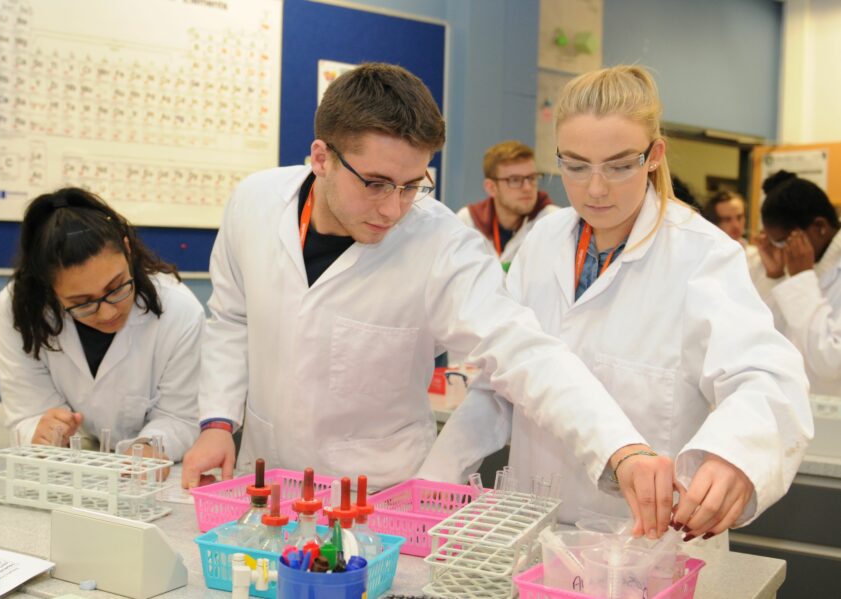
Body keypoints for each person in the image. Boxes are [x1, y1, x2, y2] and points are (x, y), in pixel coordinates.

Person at [183, 62, 679, 540]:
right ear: (322, 157)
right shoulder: (254, 202)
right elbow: (230, 318)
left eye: (412, 185)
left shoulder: (442, 243)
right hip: (265, 484)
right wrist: (218, 423)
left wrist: (621, 449)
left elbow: (524, 351)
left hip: (382, 503)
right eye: (375, 183)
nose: (393, 208)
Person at [429, 65, 811, 543]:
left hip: (644, 548)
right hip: (535, 534)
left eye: (617, 165)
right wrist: (429, 490)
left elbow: (768, 378)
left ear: (654, 156)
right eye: (575, 164)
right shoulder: (544, 241)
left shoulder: (702, 255)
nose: (595, 188)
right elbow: (501, 385)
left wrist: (736, 454)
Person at [0, 187, 204, 464]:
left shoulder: (178, 310)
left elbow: (180, 416)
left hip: (147, 478)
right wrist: (41, 432)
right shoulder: (21, 309)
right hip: (75, 471)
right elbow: (27, 412)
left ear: (127, 250)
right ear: (48, 288)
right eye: (82, 302)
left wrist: (149, 447)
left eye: (116, 287)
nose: (107, 313)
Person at [752, 171, 841, 394]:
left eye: (784, 242)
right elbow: (774, 340)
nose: (783, 251)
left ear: (819, 227)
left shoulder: (807, 271)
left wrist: (801, 278)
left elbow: (831, 360)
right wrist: (776, 277)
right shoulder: (810, 266)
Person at [456, 141, 557, 269]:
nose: (527, 188)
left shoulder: (553, 222)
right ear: (491, 187)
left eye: (532, 178)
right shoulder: (467, 222)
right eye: (515, 180)